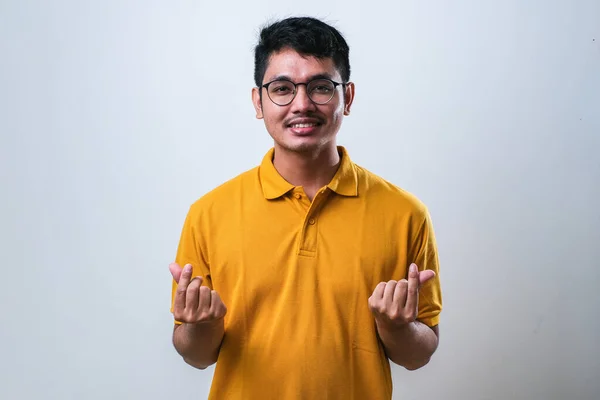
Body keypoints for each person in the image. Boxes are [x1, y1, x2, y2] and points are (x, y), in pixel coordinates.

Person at [169, 16, 442, 399]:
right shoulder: (208, 213)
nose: (301, 104)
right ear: (258, 101)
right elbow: (196, 356)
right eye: (282, 88)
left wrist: (396, 327)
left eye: (320, 87)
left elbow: (417, 355)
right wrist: (201, 326)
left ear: (347, 97)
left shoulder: (406, 214)